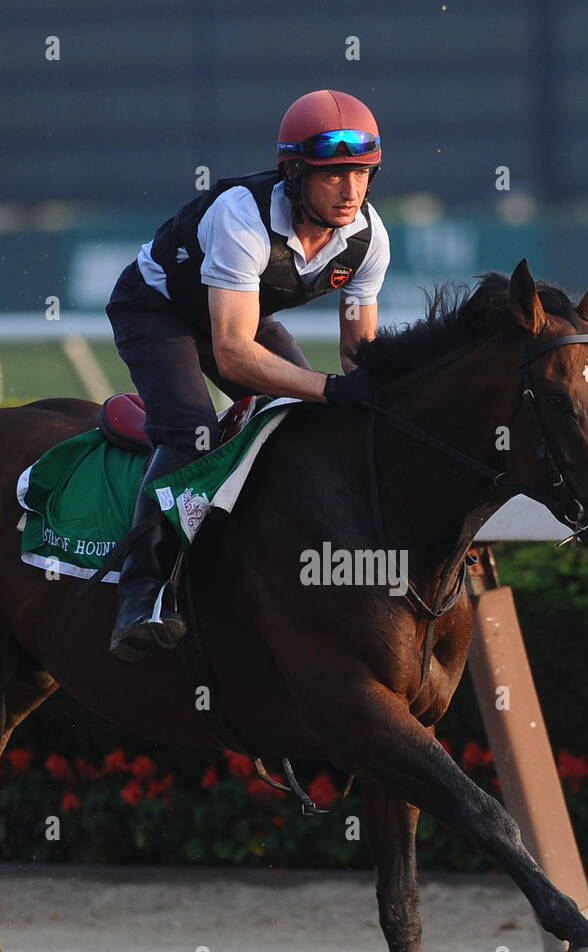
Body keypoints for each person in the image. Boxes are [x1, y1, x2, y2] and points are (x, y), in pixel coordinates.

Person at [105, 88, 390, 661]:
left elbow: (360, 356)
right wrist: (329, 388)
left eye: (361, 173)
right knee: (192, 433)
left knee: (309, 427)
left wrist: (374, 400)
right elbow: (233, 354)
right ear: (294, 173)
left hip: (238, 313)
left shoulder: (369, 238)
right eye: (334, 176)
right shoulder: (242, 215)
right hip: (158, 312)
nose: (351, 190)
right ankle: (141, 594)